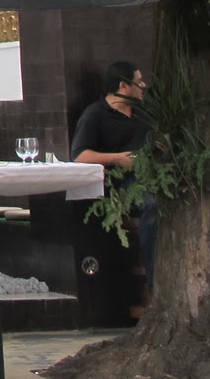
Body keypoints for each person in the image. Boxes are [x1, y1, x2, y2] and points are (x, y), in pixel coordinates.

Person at [71, 60, 155, 284]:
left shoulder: (143, 113)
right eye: (138, 81)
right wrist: (117, 159)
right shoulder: (95, 115)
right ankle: (154, 279)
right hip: (118, 185)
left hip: (151, 176)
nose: (144, 86)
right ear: (123, 86)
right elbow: (79, 156)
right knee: (152, 203)